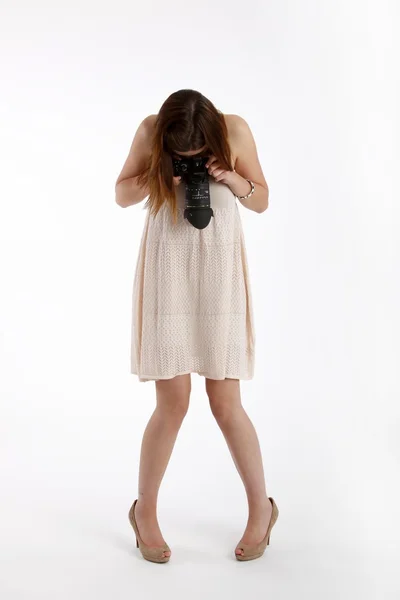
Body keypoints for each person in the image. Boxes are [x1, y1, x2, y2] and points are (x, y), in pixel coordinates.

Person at [115, 89, 279, 563]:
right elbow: (121, 193)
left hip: (218, 273)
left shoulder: (235, 130)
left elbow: (262, 200)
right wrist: (156, 173)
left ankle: (261, 511)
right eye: (181, 155)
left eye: (196, 156)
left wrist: (231, 178)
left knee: (226, 402)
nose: (189, 161)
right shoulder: (151, 130)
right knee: (173, 403)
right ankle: (144, 513)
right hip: (169, 268)